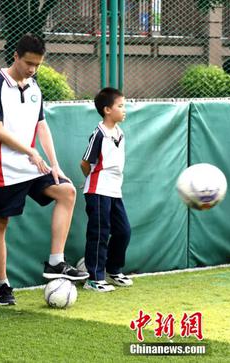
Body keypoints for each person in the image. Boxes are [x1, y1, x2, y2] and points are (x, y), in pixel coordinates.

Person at [0, 33, 88, 306]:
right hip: (0, 166)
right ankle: (3, 285)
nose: (32, 69)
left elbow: (41, 126)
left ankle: (55, 262)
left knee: (67, 191)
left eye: (37, 64)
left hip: (32, 165)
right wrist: (30, 151)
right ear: (15, 56)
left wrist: (55, 164)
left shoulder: (35, 87)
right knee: (0, 222)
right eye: (28, 63)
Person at [80, 87, 132, 292]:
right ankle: (94, 278)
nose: (124, 109)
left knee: (123, 231)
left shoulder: (120, 132)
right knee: (100, 233)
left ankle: (114, 269)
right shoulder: (98, 133)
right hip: (98, 190)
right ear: (107, 110)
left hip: (114, 191)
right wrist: (92, 181)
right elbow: (85, 163)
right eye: (120, 106)